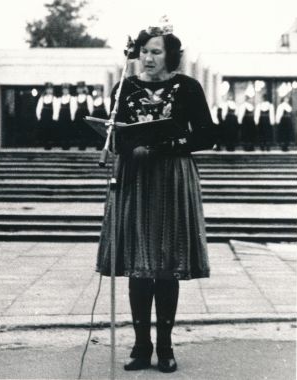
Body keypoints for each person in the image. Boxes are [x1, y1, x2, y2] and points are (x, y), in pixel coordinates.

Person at [95, 24, 216, 374]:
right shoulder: (124, 88)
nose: (148, 58)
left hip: (171, 177)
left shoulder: (187, 87)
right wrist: (110, 137)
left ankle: (165, 346)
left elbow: (207, 135)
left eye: (156, 52)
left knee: (165, 265)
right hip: (134, 175)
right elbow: (115, 134)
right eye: (144, 51)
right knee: (137, 262)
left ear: (170, 55)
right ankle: (140, 345)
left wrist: (171, 143)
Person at [54, 83, 75, 150]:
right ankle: (63, 145)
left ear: (68, 90)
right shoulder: (59, 99)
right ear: (62, 90)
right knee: (62, 131)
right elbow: (57, 109)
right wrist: (56, 117)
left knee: (68, 131)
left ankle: (68, 145)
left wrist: (72, 117)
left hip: (68, 117)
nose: (65, 91)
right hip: (61, 117)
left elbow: (73, 109)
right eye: (64, 90)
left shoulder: (71, 98)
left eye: (66, 89)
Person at [73, 81, 93, 150]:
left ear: (84, 88)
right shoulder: (75, 98)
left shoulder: (88, 97)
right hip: (78, 116)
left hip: (85, 115)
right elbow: (74, 108)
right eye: (79, 88)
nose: (80, 90)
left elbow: (91, 109)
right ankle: (80, 145)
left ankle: (84, 145)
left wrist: (89, 117)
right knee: (79, 130)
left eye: (81, 88)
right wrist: (73, 117)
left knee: (85, 130)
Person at [36, 82, 56, 149]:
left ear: (52, 90)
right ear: (46, 90)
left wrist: (55, 117)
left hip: (51, 117)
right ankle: (45, 144)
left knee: (50, 131)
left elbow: (56, 108)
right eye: (48, 89)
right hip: (44, 117)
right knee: (44, 131)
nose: (49, 91)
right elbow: (38, 108)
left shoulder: (54, 98)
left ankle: (50, 145)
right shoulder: (42, 98)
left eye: (50, 89)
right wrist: (39, 116)